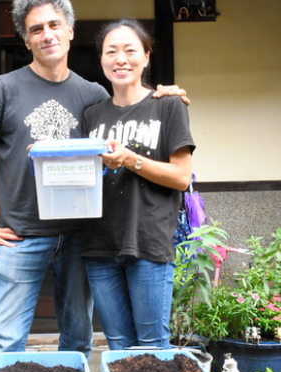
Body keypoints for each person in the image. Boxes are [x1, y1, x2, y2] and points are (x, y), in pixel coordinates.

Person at [0, 2, 189, 372]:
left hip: (82, 238)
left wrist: (165, 93)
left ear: (70, 31)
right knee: (2, 343)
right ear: (27, 40)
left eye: (55, 24)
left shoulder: (92, 95)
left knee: (77, 339)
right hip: (19, 237)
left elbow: (133, 104)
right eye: (36, 28)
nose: (47, 34)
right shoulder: (3, 87)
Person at [81, 18, 195, 351]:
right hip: (100, 244)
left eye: (130, 50)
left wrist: (130, 159)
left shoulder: (169, 106)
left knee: (152, 348)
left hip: (148, 242)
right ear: (101, 59)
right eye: (111, 51)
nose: (120, 59)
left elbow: (181, 177)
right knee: (118, 347)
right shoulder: (91, 115)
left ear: (146, 57)